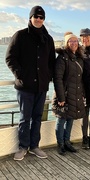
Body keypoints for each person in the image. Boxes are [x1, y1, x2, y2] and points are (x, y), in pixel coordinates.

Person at [5, 5, 55, 160]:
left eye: (41, 17)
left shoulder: (48, 39)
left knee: (38, 116)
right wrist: (20, 74)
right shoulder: (20, 36)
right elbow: (10, 58)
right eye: (36, 16)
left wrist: (48, 76)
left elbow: (52, 62)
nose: (38, 19)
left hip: (41, 86)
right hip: (25, 86)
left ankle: (34, 146)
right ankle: (22, 147)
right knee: (25, 118)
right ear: (30, 18)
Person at [52, 32, 85, 155]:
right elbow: (58, 78)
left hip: (75, 94)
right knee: (61, 119)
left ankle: (67, 142)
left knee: (70, 118)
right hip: (64, 94)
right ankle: (60, 144)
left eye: (75, 41)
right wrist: (61, 97)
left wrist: (82, 94)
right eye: (70, 41)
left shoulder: (79, 58)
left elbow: (81, 79)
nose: (73, 43)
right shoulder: (62, 58)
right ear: (66, 43)